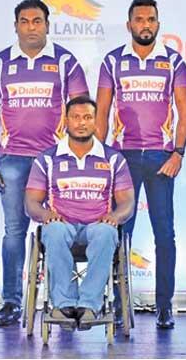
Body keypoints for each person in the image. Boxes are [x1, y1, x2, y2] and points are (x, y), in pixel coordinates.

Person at [0, 0, 89, 327]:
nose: (31, 27)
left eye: (37, 21)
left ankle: (63, 302)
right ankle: (11, 302)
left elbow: (81, 112)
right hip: (12, 161)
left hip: (56, 163)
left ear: (47, 25)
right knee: (14, 232)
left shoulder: (65, 62)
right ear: (15, 26)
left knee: (60, 231)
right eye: (24, 21)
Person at [94, 0, 186, 329]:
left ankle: (164, 306)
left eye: (151, 19)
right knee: (121, 234)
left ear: (158, 24)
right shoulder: (113, 61)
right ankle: (120, 304)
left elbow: (183, 110)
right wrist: (99, 156)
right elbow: (102, 112)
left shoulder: (174, 61)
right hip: (123, 158)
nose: (145, 25)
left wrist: (178, 152)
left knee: (165, 234)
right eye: (139, 19)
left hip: (162, 158)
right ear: (129, 24)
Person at [24, 96, 135, 329]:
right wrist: (45, 215)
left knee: (107, 232)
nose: (81, 123)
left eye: (87, 117)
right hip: (62, 226)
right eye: (75, 117)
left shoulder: (114, 159)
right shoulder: (47, 159)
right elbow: (31, 203)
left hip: (96, 227)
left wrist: (116, 216)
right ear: (66, 120)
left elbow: (127, 203)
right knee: (53, 230)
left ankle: (89, 305)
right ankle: (64, 304)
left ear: (96, 121)